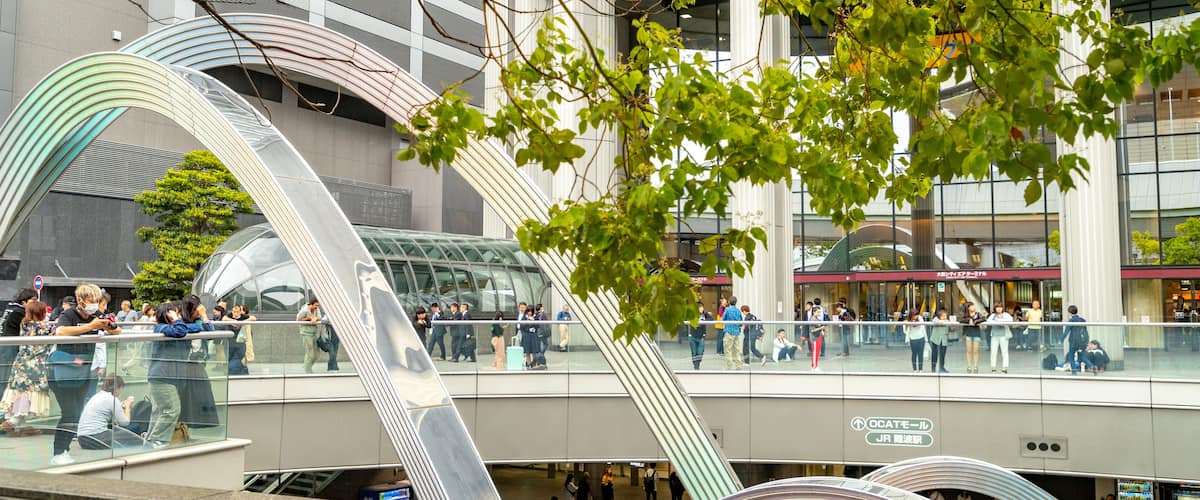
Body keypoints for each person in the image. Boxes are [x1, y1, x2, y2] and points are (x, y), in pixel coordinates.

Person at [50, 284, 118, 465]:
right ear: (80, 300)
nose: (94, 304)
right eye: (91, 301)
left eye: (97, 301)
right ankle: (59, 452)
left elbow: (117, 331)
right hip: (62, 371)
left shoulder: (96, 316)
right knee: (69, 412)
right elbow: (61, 331)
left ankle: (63, 451)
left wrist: (109, 325)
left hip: (84, 371)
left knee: (76, 412)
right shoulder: (68, 314)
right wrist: (90, 326)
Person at [147, 299, 213, 449]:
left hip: (168, 378)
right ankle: (156, 442)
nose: (178, 315)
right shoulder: (161, 327)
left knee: (159, 411)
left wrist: (203, 317)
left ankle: (150, 442)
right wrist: (176, 320)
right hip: (162, 377)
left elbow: (207, 331)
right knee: (171, 410)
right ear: (168, 315)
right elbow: (179, 331)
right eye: (174, 313)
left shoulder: (180, 326)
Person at [0, 300, 51, 436]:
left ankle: (18, 426)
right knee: (30, 393)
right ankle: (12, 422)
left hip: (21, 362)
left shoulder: (24, 324)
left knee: (20, 391)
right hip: (35, 364)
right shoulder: (43, 327)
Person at [76, 375, 141, 449]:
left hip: (82, 439)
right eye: (121, 389)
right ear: (117, 389)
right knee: (134, 431)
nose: (120, 392)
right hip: (96, 438)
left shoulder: (97, 396)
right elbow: (124, 423)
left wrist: (120, 406)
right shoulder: (112, 399)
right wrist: (128, 406)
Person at [0, 289, 37, 399]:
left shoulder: (10, 309)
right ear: (24, 302)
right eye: (33, 300)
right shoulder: (19, 312)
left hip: (4, 346)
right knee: (5, 378)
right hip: (10, 349)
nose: (36, 303)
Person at [296, 299, 323, 373]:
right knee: (310, 353)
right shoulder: (304, 310)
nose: (317, 307)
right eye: (316, 305)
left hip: (314, 333)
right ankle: (308, 371)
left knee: (317, 353)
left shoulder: (317, 309)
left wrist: (315, 318)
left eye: (318, 305)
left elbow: (320, 317)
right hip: (306, 333)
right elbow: (298, 320)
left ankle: (307, 366)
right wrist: (309, 318)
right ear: (311, 304)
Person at [986, 303, 1013, 374]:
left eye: (1000, 307)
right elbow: (988, 322)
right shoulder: (992, 315)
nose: (999, 308)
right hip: (995, 335)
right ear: (995, 308)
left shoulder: (1006, 315)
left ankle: (1004, 368)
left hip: (1004, 335)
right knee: (993, 352)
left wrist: (997, 322)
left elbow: (1010, 321)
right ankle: (993, 368)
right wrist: (999, 322)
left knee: (1004, 352)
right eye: (997, 307)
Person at [959, 302, 984, 373]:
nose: (973, 307)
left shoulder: (978, 314)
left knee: (976, 351)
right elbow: (960, 320)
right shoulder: (965, 315)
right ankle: (969, 366)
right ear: (968, 308)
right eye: (972, 306)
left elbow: (983, 319)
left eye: (973, 305)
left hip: (976, 334)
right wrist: (969, 320)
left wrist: (975, 321)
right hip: (968, 334)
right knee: (968, 351)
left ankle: (976, 366)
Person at [1064, 305, 1089, 374]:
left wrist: (1061, 339)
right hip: (1081, 341)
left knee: (1071, 356)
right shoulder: (1083, 320)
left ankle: (1074, 372)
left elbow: (1066, 331)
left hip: (1073, 342)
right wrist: (1087, 340)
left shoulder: (1071, 320)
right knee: (1081, 356)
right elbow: (1085, 331)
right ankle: (1092, 366)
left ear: (1069, 313)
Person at [720, 297, 743, 370]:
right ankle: (738, 365)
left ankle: (729, 366)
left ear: (729, 302)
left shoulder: (727, 309)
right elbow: (741, 322)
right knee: (737, 349)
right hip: (736, 332)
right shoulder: (738, 311)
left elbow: (723, 319)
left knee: (728, 349)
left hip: (729, 331)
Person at [928, 308, 952, 373]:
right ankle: (933, 368)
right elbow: (935, 322)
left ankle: (942, 368)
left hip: (944, 340)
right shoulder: (936, 319)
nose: (945, 317)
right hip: (935, 339)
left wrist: (951, 325)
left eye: (945, 315)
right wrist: (945, 322)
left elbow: (951, 329)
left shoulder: (947, 321)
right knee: (934, 354)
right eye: (943, 316)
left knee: (942, 354)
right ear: (939, 316)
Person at [689, 302, 711, 369]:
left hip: (701, 336)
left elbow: (711, 319)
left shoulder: (705, 314)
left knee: (700, 352)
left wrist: (704, 320)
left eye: (702, 307)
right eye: (699, 307)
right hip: (692, 335)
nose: (701, 309)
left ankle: (697, 364)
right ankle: (696, 366)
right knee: (694, 352)